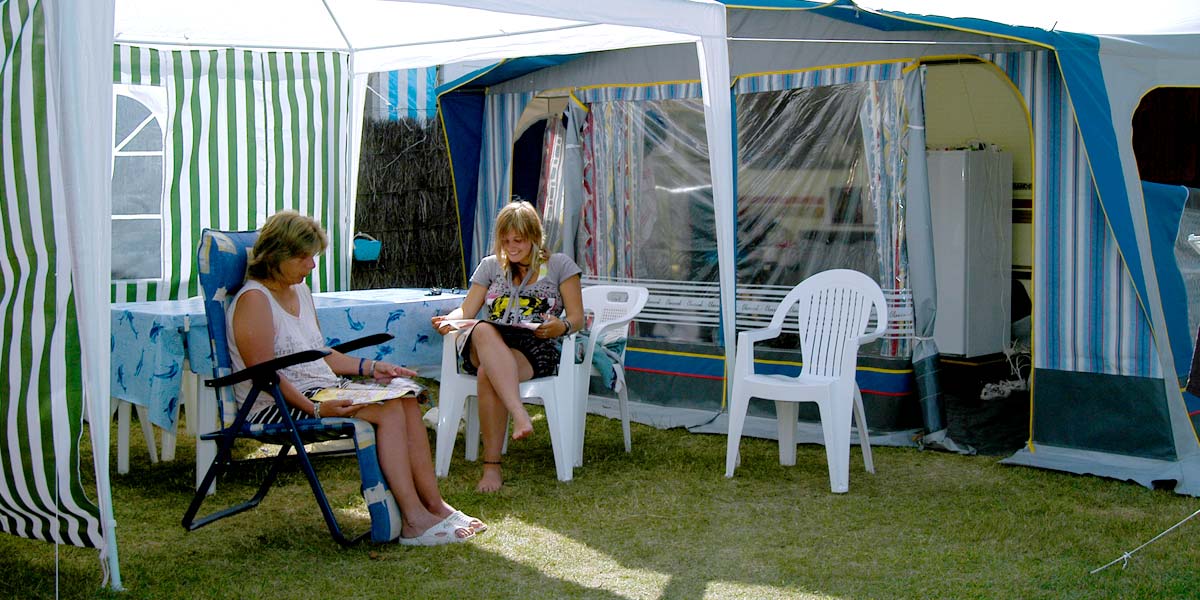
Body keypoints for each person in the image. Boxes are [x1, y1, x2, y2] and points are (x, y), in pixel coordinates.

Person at [228, 210, 484, 546]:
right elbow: (264, 375)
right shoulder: (253, 300)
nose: (312, 266)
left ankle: (435, 506)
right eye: (304, 258)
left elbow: (317, 352)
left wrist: (372, 368)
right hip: (276, 404)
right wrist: (316, 410)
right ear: (277, 256)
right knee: (388, 409)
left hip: (322, 391)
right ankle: (412, 519)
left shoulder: (299, 292)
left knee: (405, 398)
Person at [432, 200, 584, 493]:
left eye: (519, 240)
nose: (511, 247)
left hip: (533, 345)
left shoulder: (560, 266)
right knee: (484, 329)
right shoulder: (490, 266)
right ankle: (520, 414)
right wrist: (448, 321)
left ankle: (492, 469)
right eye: (505, 241)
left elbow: (577, 318)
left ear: (534, 237)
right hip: (489, 340)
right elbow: (466, 311)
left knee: (488, 373)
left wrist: (561, 326)